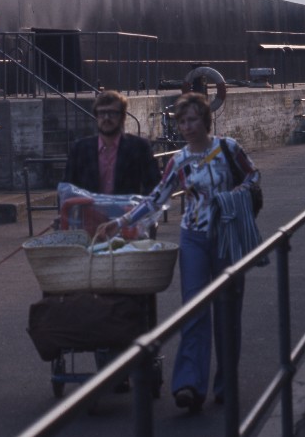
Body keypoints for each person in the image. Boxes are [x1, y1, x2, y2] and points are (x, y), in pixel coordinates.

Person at [115, 95, 260, 414]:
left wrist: (240, 191)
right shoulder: (178, 161)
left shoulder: (228, 148)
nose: (187, 127)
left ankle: (226, 383)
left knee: (228, 311)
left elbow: (253, 175)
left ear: (206, 121)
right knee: (193, 309)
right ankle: (190, 384)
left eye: (193, 120)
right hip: (193, 236)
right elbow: (157, 197)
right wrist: (122, 221)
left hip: (227, 233)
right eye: (182, 122)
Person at [65, 90, 160, 196]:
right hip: (90, 212)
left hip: (129, 212)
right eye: (102, 113)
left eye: (112, 113)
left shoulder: (139, 147)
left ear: (122, 117)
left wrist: (138, 208)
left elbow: (154, 186)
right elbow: (68, 188)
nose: (106, 118)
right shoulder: (80, 149)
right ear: (96, 116)